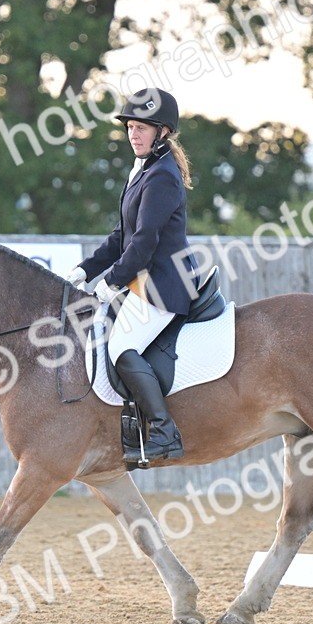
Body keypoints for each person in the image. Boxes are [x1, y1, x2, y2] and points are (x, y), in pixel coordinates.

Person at [65, 87, 199, 461]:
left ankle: (162, 430)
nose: (133, 134)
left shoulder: (163, 176)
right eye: (131, 127)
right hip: (143, 281)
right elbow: (121, 236)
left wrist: (110, 283)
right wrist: (85, 270)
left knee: (122, 345)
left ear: (164, 133)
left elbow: (143, 242)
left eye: (142, 128)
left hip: (165, 285)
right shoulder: (142, 171)